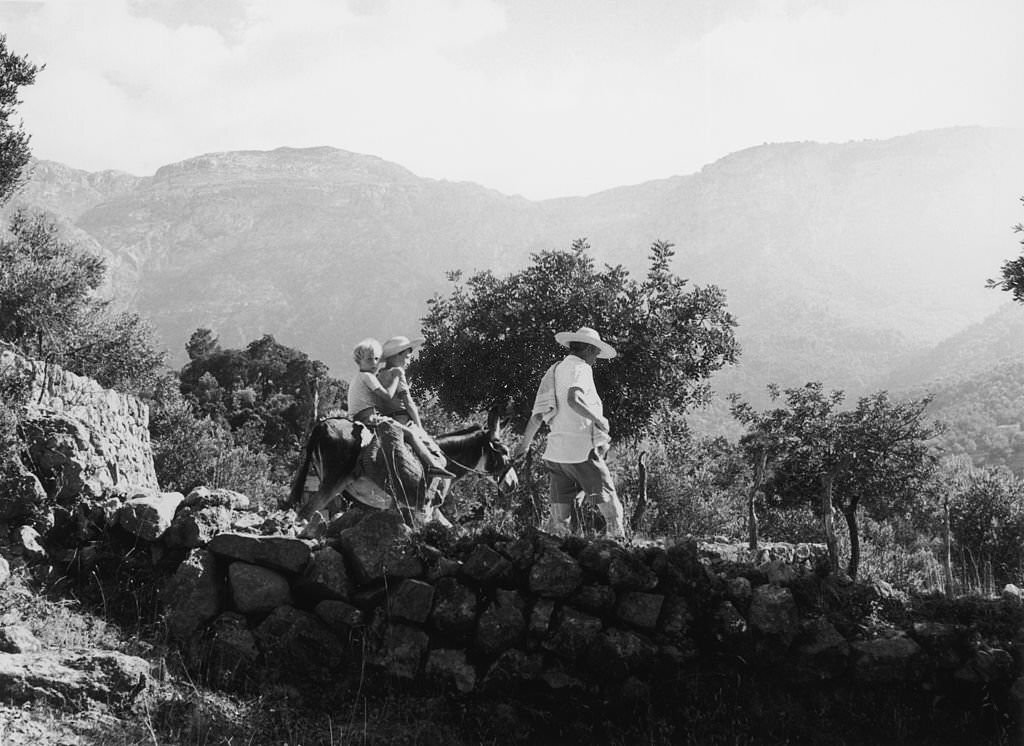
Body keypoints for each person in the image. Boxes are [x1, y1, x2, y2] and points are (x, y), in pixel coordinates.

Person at [513, 326, 626, 538]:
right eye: (596, 352)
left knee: (558, 522)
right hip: (581, 452)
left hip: (557, 456)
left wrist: (525, 444)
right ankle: (620, 547)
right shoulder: (582, 369)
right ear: (589, 349)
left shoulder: (554, 371)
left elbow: (538, 415)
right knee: (612, 510)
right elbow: (574, 399)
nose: (596, 358)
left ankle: (554, 560)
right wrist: (599, 420)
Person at [347, 338, 454, 479]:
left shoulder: (378, 375)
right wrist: (420, 426)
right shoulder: (395, 373)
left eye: (376, 359)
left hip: (371, 416)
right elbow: (408, 403)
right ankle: (433, 467)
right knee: (428, 445)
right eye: (407, 357)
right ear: (397, 355)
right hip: (398, 418)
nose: (409, 360)